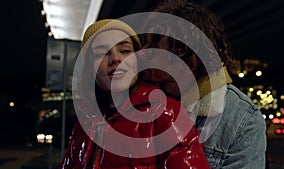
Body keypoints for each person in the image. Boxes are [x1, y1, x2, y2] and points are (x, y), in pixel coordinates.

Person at [59, 19, 210, 169]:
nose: (115, 59)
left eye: (125, 51)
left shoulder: (166, 113)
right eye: (101, 53)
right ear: (89, 69)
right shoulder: (85, 119)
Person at [140, 0, 267, 168]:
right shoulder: (138, 98)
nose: (143, 53)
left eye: (155, 47)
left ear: (190, 59)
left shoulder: (241, 119)